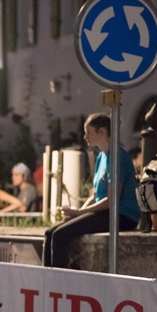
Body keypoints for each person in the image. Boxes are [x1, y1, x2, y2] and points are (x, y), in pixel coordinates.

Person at [43, 113, 140, 269]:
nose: (85, 136)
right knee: (50, 233)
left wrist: (80, 213)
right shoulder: (102, 157)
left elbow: (111, 200)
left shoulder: (118, 157)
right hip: (105, 212)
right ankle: (45, 279)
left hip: (122, 215)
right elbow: (96, 195)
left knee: (60, 236)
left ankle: (57, 281)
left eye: (88, 132)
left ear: (101, 132)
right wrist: (79, 211)